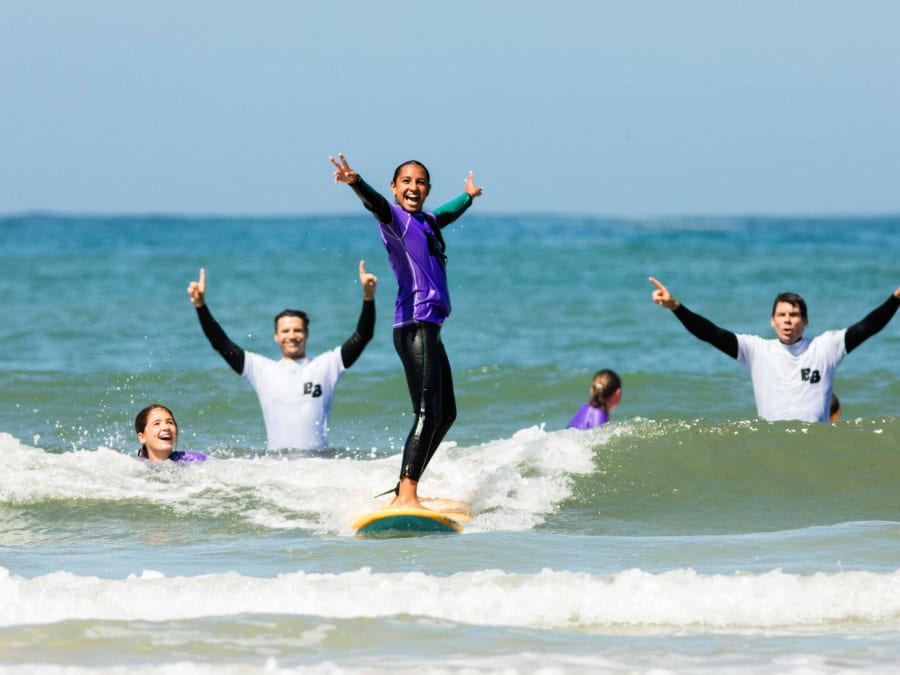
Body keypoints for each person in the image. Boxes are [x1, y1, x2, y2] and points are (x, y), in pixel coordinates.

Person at [330, 153, 483, 509]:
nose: (413, 187)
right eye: (406, 182)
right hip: (415, 324)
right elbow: (376, 205)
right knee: (428, 412)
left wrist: (469, 196)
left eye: (420, 182)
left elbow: (447, 213)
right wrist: (356, 182)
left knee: (446, 413)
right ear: (395, 188)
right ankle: (407, 493)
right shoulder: (395, 219)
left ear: (427, 189)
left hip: (431, 327)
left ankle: (405, 488)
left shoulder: (428, 220)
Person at [649, 277, 900, 422]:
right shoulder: (756, 350)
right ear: (772, 321)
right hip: (773, 449)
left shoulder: (825, 347)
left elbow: (867, 327)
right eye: (781, 315)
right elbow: (711, 333)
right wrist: (676, 308)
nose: (788, 320)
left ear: (805, 320)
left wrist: (896, 298)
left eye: (794, 314)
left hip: (815, 447)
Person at [186, 261, 377, 451]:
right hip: (277, 467)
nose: (292, 336)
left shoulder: (326, 366)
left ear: (307, 334)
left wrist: (368, 298)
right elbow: (221, 344)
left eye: (297, 330)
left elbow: (362, 336)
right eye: (285, 331)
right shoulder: (261, 369)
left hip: (319, 467)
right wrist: (201, 306)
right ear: (276, 336)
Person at [135, 404, 206, 462]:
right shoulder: (135, 467)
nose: (165, 427)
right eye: (156, 423)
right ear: (142, 437)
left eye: (170, 422)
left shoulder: (195, 460)